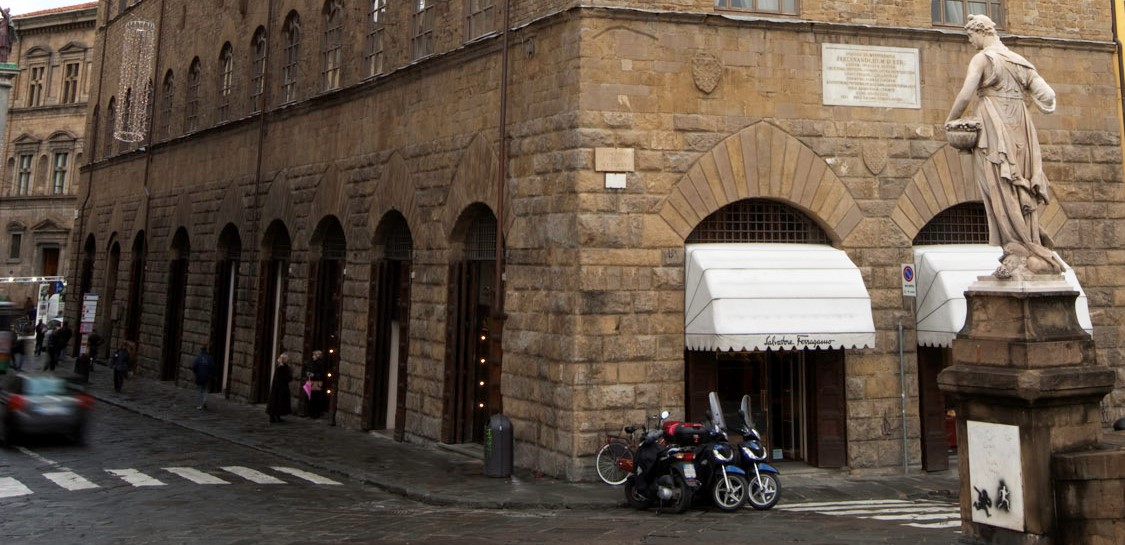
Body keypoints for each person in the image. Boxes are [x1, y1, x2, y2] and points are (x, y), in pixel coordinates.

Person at [945, 14, 1063, 279]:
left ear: (981, 32)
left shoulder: (983, 59)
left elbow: (965, 94)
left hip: (994, 130)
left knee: (998, 187)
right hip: (1021, 128)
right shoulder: (1021, 62)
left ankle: (1017, 248)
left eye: (970, 36)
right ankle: (1030, 243)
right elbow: (1048, 96)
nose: (970, 41)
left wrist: (950, 120)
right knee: (1022, 187)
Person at [266, 353, 292, 423]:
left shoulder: (283, 366)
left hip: (280, 387)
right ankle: (273, 417)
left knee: (279, 402)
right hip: (279, 388)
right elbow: (283, 378)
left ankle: (277, 416)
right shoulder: (281, 367)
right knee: (276, 401)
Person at [301, 350, 328, 419]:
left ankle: (315, 414)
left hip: (316, 383)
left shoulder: (320, 364)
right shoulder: (312, 363)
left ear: (317, 356)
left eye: (314, 355)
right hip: (311, 381)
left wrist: (314, 375)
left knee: (315, 399)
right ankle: (310, 413)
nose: (312, 356)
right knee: (310, 398)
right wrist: (308, 373)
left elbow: (322, 374)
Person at [192, 346, 215, 410]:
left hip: (199, 376)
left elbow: (194, 367)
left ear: (201, 350)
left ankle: (200, 404)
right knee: (205, 389)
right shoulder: (210, 358)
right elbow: (212, 367)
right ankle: (204, 400)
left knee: (200, 390)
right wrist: (211, 375)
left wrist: (196, 373)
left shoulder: (198, 358)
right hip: (207, 376)